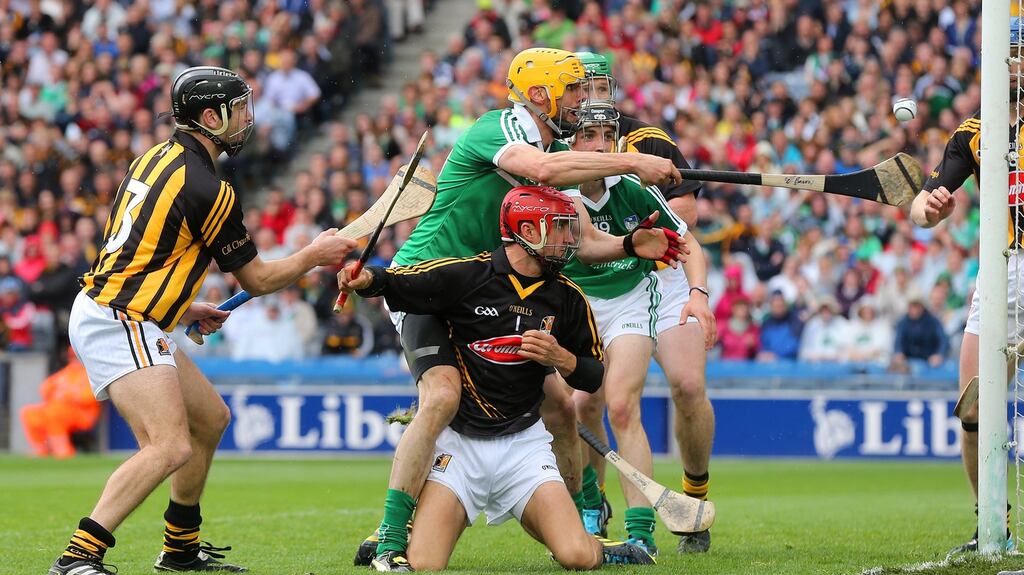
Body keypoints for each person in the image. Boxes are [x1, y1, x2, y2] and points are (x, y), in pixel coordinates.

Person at [353, 47, 685, 570]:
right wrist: (631, 160)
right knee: (442, 395)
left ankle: (583, 520)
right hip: (430, 281)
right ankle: (391, 536)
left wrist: (629, 245)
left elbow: (581, 240)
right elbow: (546, 170)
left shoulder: (555, 151)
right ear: (538, 95)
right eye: (573, 90)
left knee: (559, 404)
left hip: (488, 287)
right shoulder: (501, 129)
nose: (583, 100)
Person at [49, 66, 355, 575]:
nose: (248, 119)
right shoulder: (208, 187)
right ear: (211, 117)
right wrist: (315, 253)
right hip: (119, 317)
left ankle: (180, 549)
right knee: (168, 446)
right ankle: (78, 556)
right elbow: (256, 280)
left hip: (125, 305)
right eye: (240, 109)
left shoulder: (154, 158)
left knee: (210, 420)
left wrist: (181, 305)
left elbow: (135, 252)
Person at [340, 186, 655, 571]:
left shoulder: (568, 297)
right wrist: (365, 279)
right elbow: (399, 283)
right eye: (559, 228)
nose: (569, 239)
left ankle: (596, 543)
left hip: (524, 450)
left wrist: (562, 359)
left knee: (577, 556)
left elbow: (593, 377)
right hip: (459, 451)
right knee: (423, 565)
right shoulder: (467, 275)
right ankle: (392, 536)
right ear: (525, 230)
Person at [574, 50, 717, 553]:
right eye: (578, 86)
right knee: (578, 405)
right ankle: (592, 502)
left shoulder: (646, 141)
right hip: (584, 289)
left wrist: (697, 291)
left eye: (595, 85)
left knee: (684, 386)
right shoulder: (549, 155)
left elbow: (686, 214)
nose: (588, 96)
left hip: (656, 273)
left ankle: (691, 504)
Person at [909, 18, 1020, 555]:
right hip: (999, 273)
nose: (1015, 63)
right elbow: (921, 207)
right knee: (973, 407)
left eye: (1022, 54)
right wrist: (928, 207)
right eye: (1009, 54)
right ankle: (990, 524)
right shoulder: (976, 131)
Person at [21, 346, 100, 458]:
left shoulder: (91, 374)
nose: (74, 360)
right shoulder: (67, 372)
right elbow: (45, 389)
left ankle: (62, 449)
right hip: (59, 411)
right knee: (29, 413)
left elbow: (89, 398)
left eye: (77, 358)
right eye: (73, 357)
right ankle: (40, 449)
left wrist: (68, 395)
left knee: (54, 412)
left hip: (82, 415)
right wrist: (56, 391)